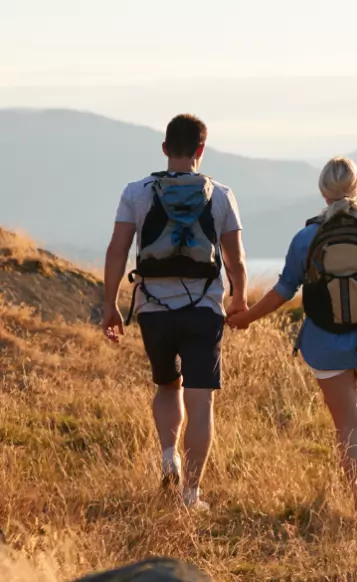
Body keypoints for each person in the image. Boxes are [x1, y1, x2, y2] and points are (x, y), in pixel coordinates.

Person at [227, 156, 357, 500]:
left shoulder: (307, 237)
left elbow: (283, 291)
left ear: (323, 192)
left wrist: (245, 318)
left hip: (325, 344)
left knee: (346, 425)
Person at [101, 113, 248, 511]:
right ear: (202, 150)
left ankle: (170, 457)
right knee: (200, 399)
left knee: (168, 386)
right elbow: (234, 259)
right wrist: (239, 299)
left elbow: (117, 249)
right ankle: (191, 495)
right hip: (203, 311)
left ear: (165, 149)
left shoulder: (137, 192)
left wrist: (111, 304)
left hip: (153, 310)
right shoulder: (220, 195)